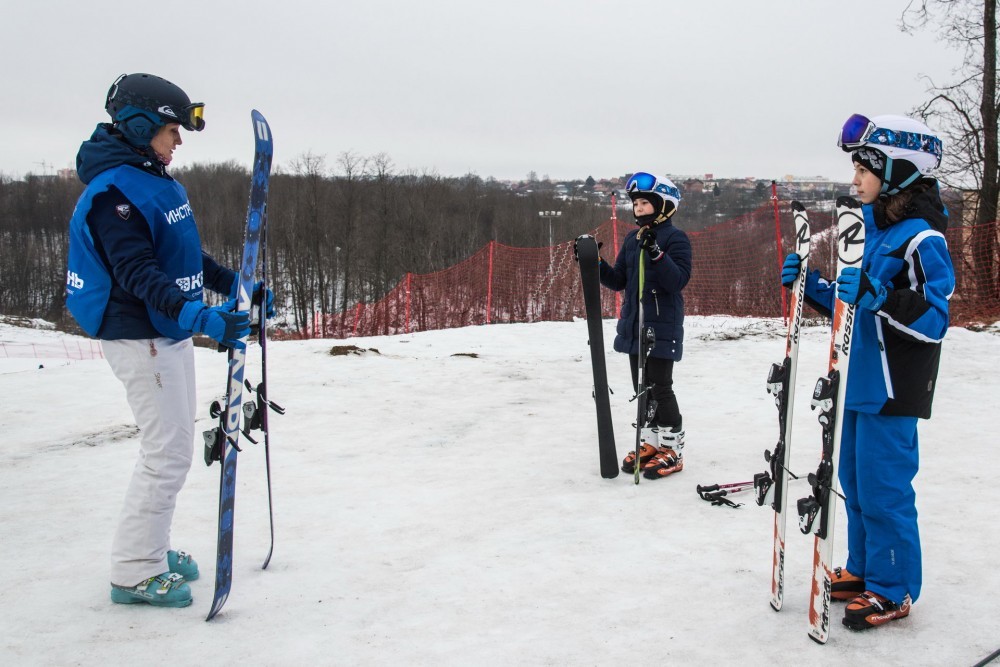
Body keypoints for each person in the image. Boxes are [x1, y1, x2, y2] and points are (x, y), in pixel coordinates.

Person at [66, 73, 268, 607]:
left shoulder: (150, 179)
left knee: (173, 448)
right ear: (140, 125)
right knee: (167, 454)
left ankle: (150, 546)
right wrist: (202, 316)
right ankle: (134, 571)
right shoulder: (115, 194)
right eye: (171, 128)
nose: (178, 140)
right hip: (141, 335)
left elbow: (180, 257)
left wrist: (232, 284)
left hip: (166, 330)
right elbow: (137, 273)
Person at [780, 114, 954, 630]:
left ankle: (893, 586)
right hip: (857, 382)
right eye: (856, 167)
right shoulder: (870, 236)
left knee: (884, 489)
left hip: (893, 387)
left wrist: (880, 296)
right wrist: (811, 287)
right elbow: (850, 305)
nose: (855, 179)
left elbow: (937, 318)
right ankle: (863, 569)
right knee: (854, 483)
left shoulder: (921, 240)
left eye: (865, 169)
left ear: (899, 172)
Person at [592, 171, 692, 479]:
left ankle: (672, 448)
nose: (638, 209)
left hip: (661, 326)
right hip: (635, 326)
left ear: (663, 205)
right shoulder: (631, 238)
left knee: (660, 386)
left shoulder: (675, 238)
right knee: (642, 387)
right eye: (635, 204)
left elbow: (677, 281)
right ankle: (649, 442)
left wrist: (656, 253)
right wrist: (595, 266)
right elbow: (620, 279)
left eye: (645, 203)